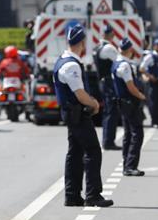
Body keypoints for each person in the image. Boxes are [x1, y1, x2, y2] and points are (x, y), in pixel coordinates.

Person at [53, 24, 113, 207]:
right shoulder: (71, 65)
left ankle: (72, 195)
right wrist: (94, 103)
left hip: (71, 114)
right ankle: (93, 194)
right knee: (93, 151)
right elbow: (79, 93)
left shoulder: (62, 60)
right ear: (82, 43)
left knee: (75, 153)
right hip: (77, 114)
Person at [112, 37, 146, 176]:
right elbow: (130, 86)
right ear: (130, 49)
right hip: (129, 103)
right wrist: (141, 95)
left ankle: (126, 163)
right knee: (137, 133)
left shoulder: (116, 63)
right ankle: (130, 165)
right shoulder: (125, 65)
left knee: (128, 133)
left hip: (123, 102)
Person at [93, 25, 120, 150]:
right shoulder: (109, 48)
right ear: (111, 35)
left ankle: (107, 140)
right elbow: (119, 62)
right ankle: (108, 141)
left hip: (103, 82)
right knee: (111, 112)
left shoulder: (98, 47)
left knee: (107, 112)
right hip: (109, 83)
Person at [140, 39, 158, 128]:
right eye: (157, 45)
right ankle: (154, 122)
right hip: (153, 83)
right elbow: (142, 68)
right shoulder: (150, 56)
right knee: (153, 103)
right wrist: (150, 76)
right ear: (154, 46)